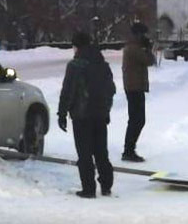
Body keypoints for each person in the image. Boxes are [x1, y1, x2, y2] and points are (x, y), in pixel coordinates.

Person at [57, 31, 116, 198]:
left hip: (81, 115)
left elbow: (67, 91)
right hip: (100, 114)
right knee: (101, 151)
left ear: (77, 46)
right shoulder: (102, 64)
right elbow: (110, 90)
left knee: (84, 153)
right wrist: (106, 109)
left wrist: (62, 114)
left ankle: (88, 189)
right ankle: (106, 185)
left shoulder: (75, 65)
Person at [121, 22, 156, 162]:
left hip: (134, 86)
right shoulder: (133, 48)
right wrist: (148, 49)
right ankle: (128, 150)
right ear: (138, 35)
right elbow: (149, 60)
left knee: (136, 120)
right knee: (137, 120)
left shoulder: (132, 47)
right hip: (134, 87)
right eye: (144, 34)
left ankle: (129, 149)